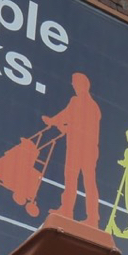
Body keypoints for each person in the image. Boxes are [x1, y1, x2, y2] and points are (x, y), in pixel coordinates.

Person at [41, 71, 101, 224]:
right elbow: (72, 120)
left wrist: (53, 122)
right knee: (85, 181)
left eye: (75, 84)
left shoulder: (77, 102)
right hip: (88, 149)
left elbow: (66, 116)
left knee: (75, 179)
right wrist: (61, 124)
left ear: (82, 85)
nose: (74, 86)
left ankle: (75, 213)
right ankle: (88, 216)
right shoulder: (93, 106)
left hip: (79, 148)